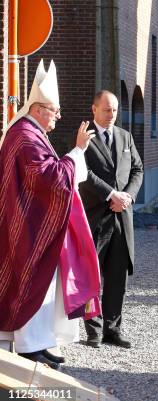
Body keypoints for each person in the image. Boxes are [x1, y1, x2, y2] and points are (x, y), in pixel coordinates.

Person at [0, 60, 101, 368]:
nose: (58, 116)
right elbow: (48, 179)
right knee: (32, 282)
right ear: (39, 108)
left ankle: (38, 342)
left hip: (31, 221)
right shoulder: (26, 136)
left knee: (42, 282)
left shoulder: (28, 132)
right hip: (27, 226)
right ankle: (28, 345)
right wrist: (78, 151)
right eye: (55, 111)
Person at [80, 90, 143, 349]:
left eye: (114, 110)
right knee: (91, 275)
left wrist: (127, 196)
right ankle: (93, 331)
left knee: (118, 276)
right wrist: (111, 195)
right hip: (96, 216)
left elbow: (137, 169)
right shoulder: (85, 139)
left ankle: (112, 330)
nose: (111, 115)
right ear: (94, 109)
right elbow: (84, 172)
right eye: (106, 110)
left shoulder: (125, 137)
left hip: (122, 217)